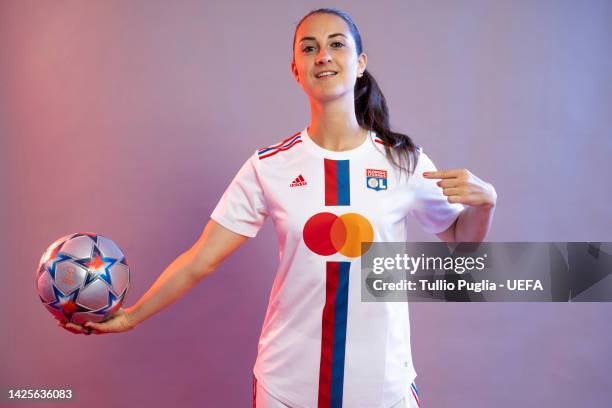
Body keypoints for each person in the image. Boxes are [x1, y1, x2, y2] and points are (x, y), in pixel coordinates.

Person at [60, 8, 497, 408]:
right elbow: (201, 260)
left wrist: (486, 204)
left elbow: (461, 242)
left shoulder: (405, 161)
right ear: (296, 71)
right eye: (309, 48)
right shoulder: (268, 167)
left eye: (336, 44)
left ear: (360, 62)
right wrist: (131, 318)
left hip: (384, 388)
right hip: (287, 387)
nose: (323, 55)